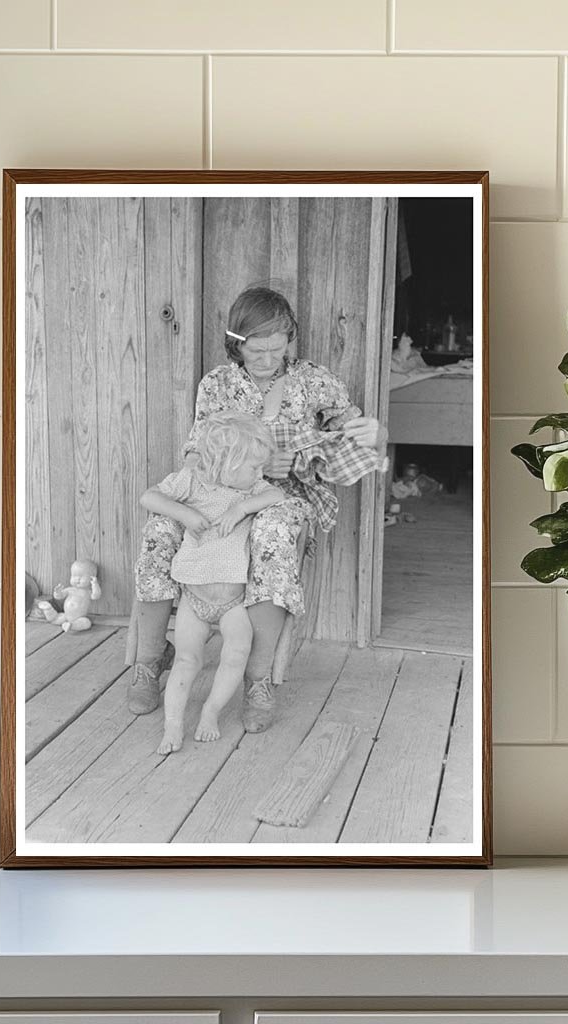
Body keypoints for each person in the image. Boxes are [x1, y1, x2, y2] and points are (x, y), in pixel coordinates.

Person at [128, 285, 387, 732]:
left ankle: (256, 680)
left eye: (277, 348)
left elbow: (360, 441)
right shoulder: (218, 384)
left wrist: (373, 433)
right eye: (257, 351)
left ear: (290, 339)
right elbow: (196, 454)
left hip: (284, 495)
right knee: (160, 530)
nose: (269, 359)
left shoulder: (314, 381)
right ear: (236, 342)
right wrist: (241, 472)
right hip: (218, 490)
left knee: (271, 536)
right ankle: (151, 661)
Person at [139, 412, 285, 754]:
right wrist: (184, 514)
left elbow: (277, 495)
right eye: (253, 467)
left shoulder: (251, 489)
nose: (259, 473)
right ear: (227, 462)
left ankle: (211, 711)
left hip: (233, 604)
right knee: (188, 661)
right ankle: (173, 725)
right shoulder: (191, 482)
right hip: (194, 600)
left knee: (236, 654)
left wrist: (244, 508)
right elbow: (149, 497)